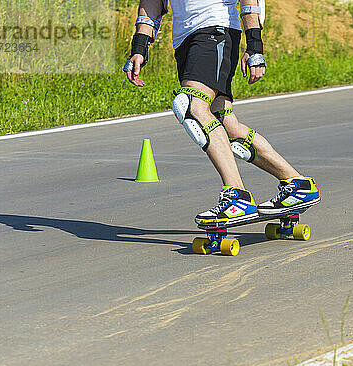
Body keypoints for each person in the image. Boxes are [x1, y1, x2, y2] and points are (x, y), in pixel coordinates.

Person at [124, 0, 320, 227]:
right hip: (185, 40)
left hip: (215, 29)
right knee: (225, 125)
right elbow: (151, 4)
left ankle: (237, 197)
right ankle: (296, 184)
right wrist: (139, 48)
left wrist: (254, 45)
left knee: (191, 107)